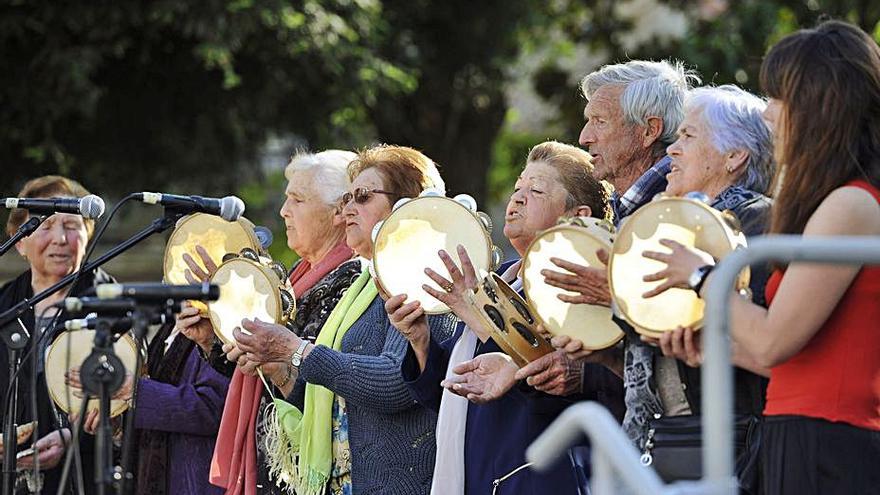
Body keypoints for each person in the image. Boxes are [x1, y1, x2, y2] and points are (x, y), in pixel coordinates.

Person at [649, 21, 880, 494]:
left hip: (827, 440)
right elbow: (794, 359)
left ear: (821, 104)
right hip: (800, 431)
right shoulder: (837, 201)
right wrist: (715, 351)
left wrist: (699, 274)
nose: (769, 115)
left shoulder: (852, 204)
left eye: (779, 97)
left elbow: (775, 340)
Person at [389, 141, 623, 494]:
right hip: (483, 473)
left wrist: (481, 320)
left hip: (544, 476)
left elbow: (564, 385)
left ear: (578, 217)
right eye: (518, 188)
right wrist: (419, 340)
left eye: (536, 190)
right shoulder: (499, 279)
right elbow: (454, 396)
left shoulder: (583, 287)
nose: (517, 199)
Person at [229, 145, 457, 495]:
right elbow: (329, 395)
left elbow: (396, 382)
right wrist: (278, 366)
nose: (347, 209)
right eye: (348, 197)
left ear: (407, 204)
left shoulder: (427, 276)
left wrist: (297, 350)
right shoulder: (367, 283)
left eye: (362, 197)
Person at [175, 150, 362, 494]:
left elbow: (331, 391)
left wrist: (277, 366)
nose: (283, 211)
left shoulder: (351, 280)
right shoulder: (297, 274)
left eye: (297, 199)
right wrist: (211, 339)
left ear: (339, 211)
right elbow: (251, 365)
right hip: (278, 464)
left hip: (314, 471)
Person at [0, 175, 111, 494]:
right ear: (18, 240)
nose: (61, 238)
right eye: (44, 226)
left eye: (72, 226)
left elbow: (131, 397)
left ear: (88, 235)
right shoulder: (4, 304)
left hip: (86, 476)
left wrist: (72, 436)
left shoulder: (114, 303)